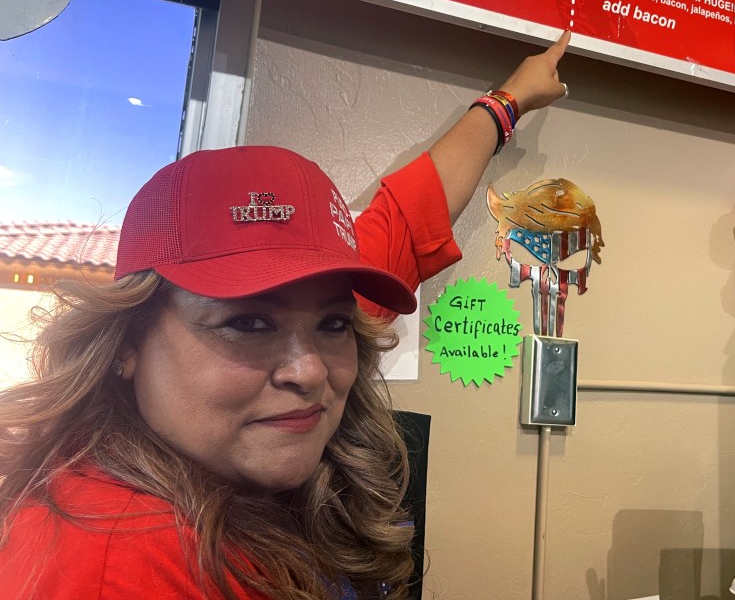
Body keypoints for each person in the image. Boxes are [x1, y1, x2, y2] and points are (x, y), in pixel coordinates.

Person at [0, 31, 571, 599]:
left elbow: (408, 217)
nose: (311, 371)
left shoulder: (297, 357)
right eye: (248, 323)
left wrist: (509, 101)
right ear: (128, 342)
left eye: (334, 323)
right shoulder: (119, 563)